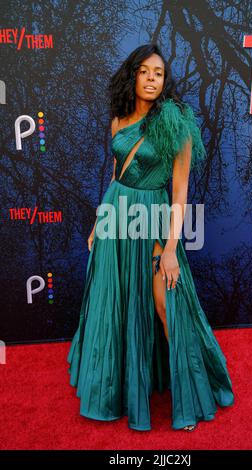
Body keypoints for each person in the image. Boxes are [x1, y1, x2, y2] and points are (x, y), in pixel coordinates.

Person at [67, 43, 234, 432]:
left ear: (165, 80)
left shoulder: (176, 120)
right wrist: (98, 221)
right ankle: (118, 389)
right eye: (145, 71)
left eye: (159, 73)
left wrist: (172, 249)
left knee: (166, 306)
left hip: (153, 220)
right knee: (117, 301)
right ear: (133, 75)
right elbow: (115, 175)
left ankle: (190, 395)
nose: (152, 79)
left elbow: (179, 193)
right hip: (115, 217)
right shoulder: (119, 119)